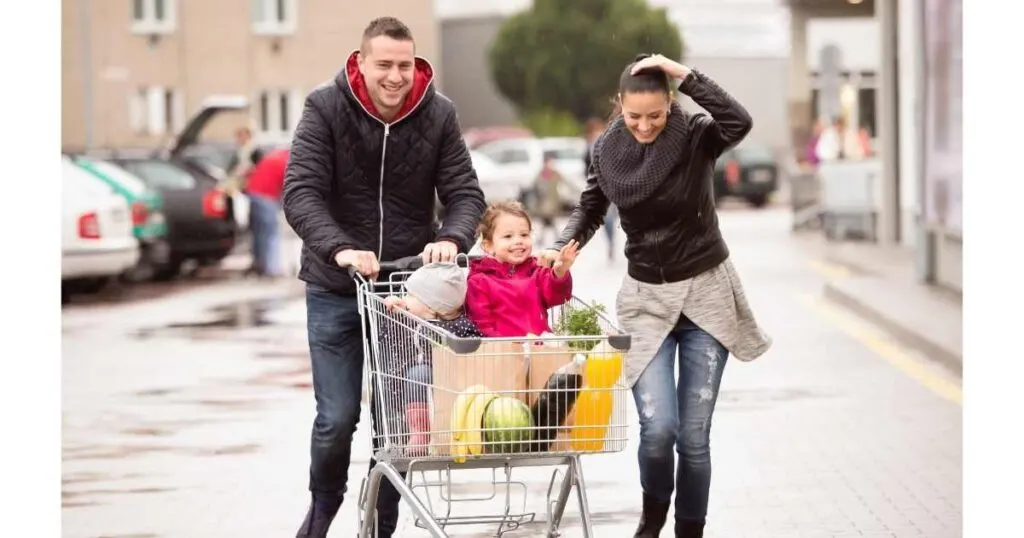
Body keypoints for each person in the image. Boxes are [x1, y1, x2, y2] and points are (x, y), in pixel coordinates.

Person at [538, 54, 772, 538]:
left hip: (706, 295)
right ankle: (652, 517)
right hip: (646, 301)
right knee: (658, 430)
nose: (644, 126)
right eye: (633, 116)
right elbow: (590, 205)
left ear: (671, 104)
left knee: (693, 437)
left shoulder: (698, 137)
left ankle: (690, 529)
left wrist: (683, 73)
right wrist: (565, 244)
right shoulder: (607, 151)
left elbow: (740, 120)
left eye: (656, 115)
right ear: (618, 106)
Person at [281, 16, 486, 538]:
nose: (395, 76)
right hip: (335, 287)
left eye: (404, 65)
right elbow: (300, 191)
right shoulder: (324, 107)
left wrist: (452, 238)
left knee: (396, 419)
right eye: (384, 65)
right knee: (336, 418)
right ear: (362, 62)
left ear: (415, 63)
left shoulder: (438, 114)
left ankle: (381, 523)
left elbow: (465, 194)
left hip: (405, 293)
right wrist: (340, 249)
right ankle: (323, 507)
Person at [379, 262, 483, 456]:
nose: (405, 299)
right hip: (413, 393)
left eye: (411, 296)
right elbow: (388, 337)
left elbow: (473, 348)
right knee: (418, 373)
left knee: (420, 372)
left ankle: (435, 431)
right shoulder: (407, 321)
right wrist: (399, 308)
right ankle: (419, 430)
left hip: (452, 387)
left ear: (432, 307)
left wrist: (435, 325)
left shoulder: (460, 327)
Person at [465, 201, 579, 338]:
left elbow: (558, 296)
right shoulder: (479, 281)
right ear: (488, 245)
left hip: (540, 349)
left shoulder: (536, 271)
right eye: (508, 236)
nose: (518, 240)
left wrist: (560, 271)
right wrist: (507, 348)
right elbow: (482, 325)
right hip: (504, 354)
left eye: (524, 235)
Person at [245, 146, 289, 278]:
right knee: (271, 233)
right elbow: (289, 186)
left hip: (253, 193)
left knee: (259, 233)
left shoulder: (275, 156)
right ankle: (272, 269)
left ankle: (259, 264)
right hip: (266, 196)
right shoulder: (289, 162)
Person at [584, 117, 617, 261]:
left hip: (612, 185)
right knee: (608, 218)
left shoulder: (608, 143)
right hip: (604, 187)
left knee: (612, 217)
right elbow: (587, 169)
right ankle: (611, 242)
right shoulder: (589, 147)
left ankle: (614, 242)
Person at [532, 152, 565, 245]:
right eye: (549, 162)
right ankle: (550, 238)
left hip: (553, 202)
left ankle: (543, 239)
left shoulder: (556, 174)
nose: (551, 165)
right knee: (547, 221)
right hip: (542, 203)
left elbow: (568, 183)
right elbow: (533, 187)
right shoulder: (540, 175)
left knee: (549, 221)